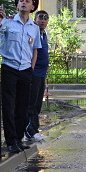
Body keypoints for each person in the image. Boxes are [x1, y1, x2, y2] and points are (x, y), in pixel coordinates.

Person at [0, 0, 42, 153]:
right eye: (21, 0)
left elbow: (35, 50)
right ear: (17, 4)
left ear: (32, 6)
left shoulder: (34, 27)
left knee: (22, 106)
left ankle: (19, 139)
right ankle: (11, 141)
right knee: (9, 105)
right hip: (10, 67)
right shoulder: (7, 21)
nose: (23, 3)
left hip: (26, 70)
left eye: (27, 1)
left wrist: (31, 68)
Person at [25, 10, 50, 141]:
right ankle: (29, 130)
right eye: (40, 18)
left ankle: (34, 130)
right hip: (33, 73)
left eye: (45, 18)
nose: (43, 20)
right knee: (32, 103)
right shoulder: (33, 32)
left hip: (41, 74)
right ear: (35, 20)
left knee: (38, 104)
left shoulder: (43, 34)